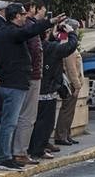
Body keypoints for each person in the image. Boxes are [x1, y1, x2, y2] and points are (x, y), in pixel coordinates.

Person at [0, 2, 62, 170]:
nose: (25, 17)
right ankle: (4, 157)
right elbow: (28, 31)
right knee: (10, 122)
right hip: (14, 83)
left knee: (11, 121)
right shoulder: (12, 32)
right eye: (23, 14)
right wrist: (49, 22)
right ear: (16, 16)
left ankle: (7, 155)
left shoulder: (4, 32)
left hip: (11, 81)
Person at [29, 25, 79, 161]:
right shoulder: (51, 48)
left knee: (35, 121)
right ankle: (38, 150)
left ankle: (34, 147)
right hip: (48, 89)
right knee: (46, 123)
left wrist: (51, 36)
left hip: (36, 88)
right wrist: (71, 32)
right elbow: (70, 46)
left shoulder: (35, 47)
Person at [54, 19, 84, 146]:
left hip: (72, 82)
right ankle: (61, 135)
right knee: (67, 110)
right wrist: (76, 85)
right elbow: (71, 68)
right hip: (70, 83)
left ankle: (66, 134)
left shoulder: (64, 42)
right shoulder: (68, 45)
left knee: (70, 111)